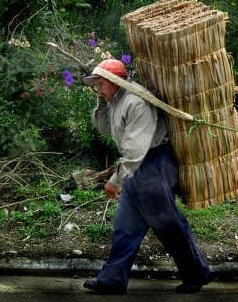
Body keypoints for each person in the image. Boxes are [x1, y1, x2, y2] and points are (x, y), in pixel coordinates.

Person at [81, 58, 211, 294]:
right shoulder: (115, 100)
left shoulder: (136, 101)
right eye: (96, 84)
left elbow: (134, 148)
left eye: (100, 83)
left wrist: (115, 180)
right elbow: (104, 129)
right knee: (125, 227)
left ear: (114, 81)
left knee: (167, 224)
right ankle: (112, 280)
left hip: (153, 164)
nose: (97, 88)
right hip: (137, 167)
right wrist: (101, 103)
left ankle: (196, 273)